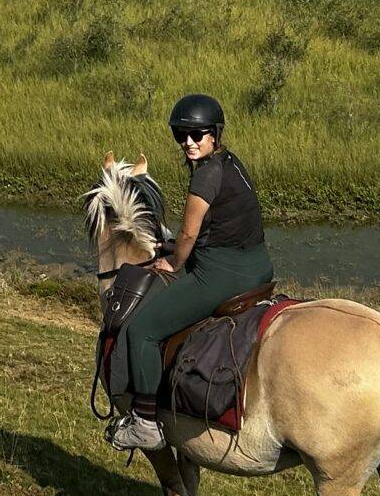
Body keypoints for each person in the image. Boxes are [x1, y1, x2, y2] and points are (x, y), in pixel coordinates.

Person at [106, 93, 275, 453]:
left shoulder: (205, 177)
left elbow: (187, 234)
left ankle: (146, 422)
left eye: (197, 135)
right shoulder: (231, 164)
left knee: (143, 330)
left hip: (220, 275)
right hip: (258, 266)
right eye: (181, 135)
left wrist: (173, 262)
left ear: (214, 133)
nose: (189, 142)